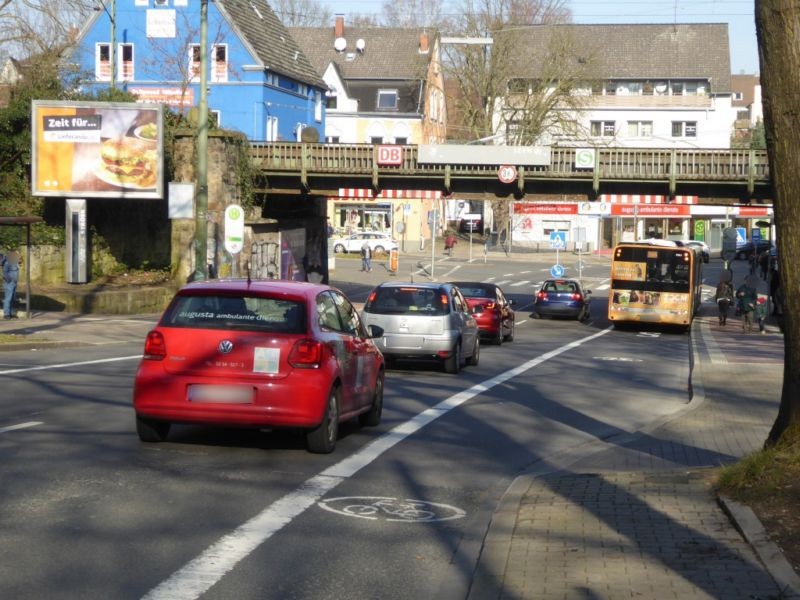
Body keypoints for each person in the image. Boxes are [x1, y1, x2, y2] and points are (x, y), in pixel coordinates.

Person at [3, 250, 20, 319]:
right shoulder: (7, 263)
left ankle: (11, 313)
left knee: (12, 298)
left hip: (14, 283)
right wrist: (9, 281)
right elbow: (5, 273)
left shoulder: (15, 263)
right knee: (8, 299)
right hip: (9, 283)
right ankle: (6, 314)